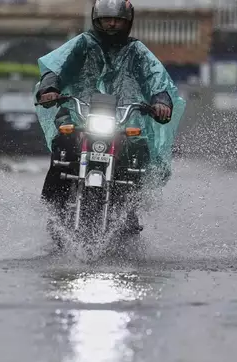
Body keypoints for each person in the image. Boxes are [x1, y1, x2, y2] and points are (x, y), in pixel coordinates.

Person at [34, 0, 185, 233]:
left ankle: (129, 210)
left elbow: (156, 77)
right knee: (63, 147)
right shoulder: (82, 44)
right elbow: (57, 67)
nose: (112, 24)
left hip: (124, 120)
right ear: (97, 20)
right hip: (79, 115)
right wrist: (49, 88)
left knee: (137, 152)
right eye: (107, 19)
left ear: (128, 22)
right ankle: (55, 208)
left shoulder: (137, 51)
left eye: (118, 19)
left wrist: (161, 101)